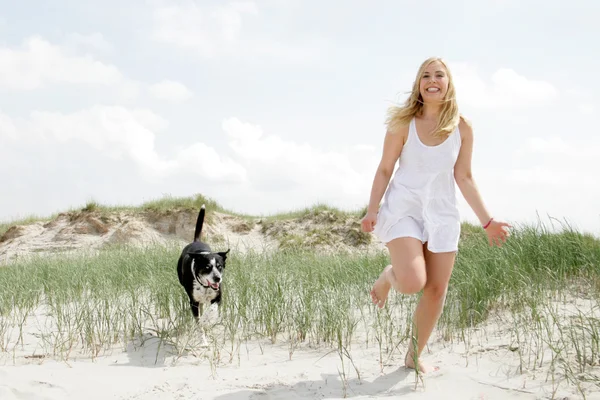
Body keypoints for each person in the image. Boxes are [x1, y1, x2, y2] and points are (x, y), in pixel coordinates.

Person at [361, 57, 510, 373]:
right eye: (426, 75)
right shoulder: (404, 124)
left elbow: (465, 177)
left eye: (439, 75)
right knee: (414, 281)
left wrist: (487, 221)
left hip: (442, 214)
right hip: (404, 209)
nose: (432, 80)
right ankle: (390, 276)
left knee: (437, 289)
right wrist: (372, 209)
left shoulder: (463, 127)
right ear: (418, 84)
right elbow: (385, 168)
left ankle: (413, 356)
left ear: (448, 83)